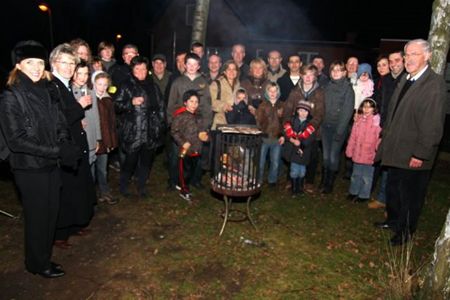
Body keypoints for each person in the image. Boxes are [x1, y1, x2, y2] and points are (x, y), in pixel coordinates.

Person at [0, 40, 80, 278]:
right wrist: (57, 151)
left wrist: (65, 143)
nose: (35, 67)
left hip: (50, 164)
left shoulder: (48, 89)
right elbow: (16, 140)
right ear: (18, 65)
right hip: (29, 168)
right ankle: (36, 263)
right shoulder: (10, 96)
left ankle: (44, 256)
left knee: (51, 212)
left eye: (39, 62)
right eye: (29, 62)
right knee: (38, 216)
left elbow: (60, 122)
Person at [374, 39, 447, 246]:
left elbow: (433, 125)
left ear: (428, 56)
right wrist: (384, 135)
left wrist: (420, 154)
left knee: (410, 196)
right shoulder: (407, 78)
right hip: (396, 148)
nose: (408, 59)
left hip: (414, 154)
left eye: (414, 54)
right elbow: (393, 111)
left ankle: (405, 232)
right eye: (406, 54)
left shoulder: (434, 84)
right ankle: (393, 221)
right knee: (394, 189)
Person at [49, 43, 96, 249]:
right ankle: (60, 233)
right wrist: (79, 107)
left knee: (78, 186)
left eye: (71, 63)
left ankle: (75, 224)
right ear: (53, 64)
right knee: (66, 190)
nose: (69, 67)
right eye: (64, 63)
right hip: (64, 148)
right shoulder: (52, 86)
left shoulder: (65, 84)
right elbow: (56, 119)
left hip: (76, 145)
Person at [115, 56, 165, 198]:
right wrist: (131, 102)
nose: (141, 71)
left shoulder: (153, 86)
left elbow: (161, 107)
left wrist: (161, 125)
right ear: (132, 70)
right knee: (130, 162)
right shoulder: (126, 85)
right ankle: (124, 185)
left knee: (146, 161)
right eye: (137, 69)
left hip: (150, 131)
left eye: (143, 68)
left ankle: (142, 186)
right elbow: (116, 105)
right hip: (134, 131)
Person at [167, 53, 212, 190]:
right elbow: (171, 104)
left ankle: (195, 180)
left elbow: (207, 106)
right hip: (181, 125)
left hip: (198, 125)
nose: (192, 67)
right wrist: (171, 123)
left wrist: (205, 127)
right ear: (185, 65)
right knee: (177, 155)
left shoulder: (204, 83)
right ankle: (174, 180)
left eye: (195, 64)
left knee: (197, 156)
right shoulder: (178, 82)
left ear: (199, 66)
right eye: (189, 64)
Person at [283, 64, 325, 193]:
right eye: (305, 74)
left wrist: (308, 128)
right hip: (295, 128)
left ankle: (309, 181)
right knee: (292, 153)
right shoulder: (295, 92)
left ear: (315, 77)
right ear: (301, 75)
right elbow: (287, 110)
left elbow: (319, 113)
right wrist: (289, 127)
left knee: (311, 156)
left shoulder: (319, 93)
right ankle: (290, 179)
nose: (308, 77)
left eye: (311, 75)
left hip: (312, 131)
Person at [321, 61, 354, 194]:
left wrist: (340, 131)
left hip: (338, 128)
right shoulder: (327, 87)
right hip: (325, 127)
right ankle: (323, 179)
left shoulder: (347, 89)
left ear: (344, 73)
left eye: (339, 70)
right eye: (333, 70)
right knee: (325, 156)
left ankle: (329, 183)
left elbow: (347, 112)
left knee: (333, 156)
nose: (336, 72)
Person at [171, 90, 209, 201]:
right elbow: (174, 131)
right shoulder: (180, 116)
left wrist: (205, 136)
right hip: (185, 150)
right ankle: (184, 190)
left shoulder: (198, 116)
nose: (194, 104)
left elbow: (202, 130)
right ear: (185, 102)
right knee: (185, 171)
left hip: (196, 149)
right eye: (191, 101)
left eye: (196, 102)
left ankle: (184, 184)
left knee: (192, 170)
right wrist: (183, 142)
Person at [345, 98, 381, 202]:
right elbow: (353, 137)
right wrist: (350, 149)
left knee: (367, 178)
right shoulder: (358, 121)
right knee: (355, 175)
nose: (366, 109)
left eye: (369, 107)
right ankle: (353, 191)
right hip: (358, 154)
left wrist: (377, 153)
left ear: (374, 109)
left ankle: (364, 195)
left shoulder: (376, 124)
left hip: (370, 156)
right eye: (365, 106)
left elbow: (379, 140)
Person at [91, 71, 118, 205]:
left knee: (102, 169)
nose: (101, 88)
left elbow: (112, 122)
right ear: (94, 84)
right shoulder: (90, 98)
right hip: (92, 139)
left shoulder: (108, 100)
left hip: (105, 140)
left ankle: (104, 192)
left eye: (104, 85)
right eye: (99, 84)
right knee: (91, 171)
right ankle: (90, 196)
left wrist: (111, 141)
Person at [281, 100, 315, 197]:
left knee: (302, 171)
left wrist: (302, 145)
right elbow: (286, 133)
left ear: (308, 113)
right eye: (301, 110)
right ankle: (294, 188)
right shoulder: (291, 122)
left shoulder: (310, 125)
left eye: (305, 111)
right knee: (294, 170)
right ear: (297, 111)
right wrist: (291, 139)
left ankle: (300, 187)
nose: (303, 113)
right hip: (293, 151)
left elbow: (310, 138)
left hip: (304, 152)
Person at [71, 61, 101, 167]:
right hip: (77, 140)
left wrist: (98, 138)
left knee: (91, 171)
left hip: (91, 138)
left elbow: (96, 116)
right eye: (79, 73)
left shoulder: (91, 92)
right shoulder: (68, 93)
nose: (83, 77)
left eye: (86, 74)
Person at [256, 82, 284, 186]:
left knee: (275, 161)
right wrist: (261, 133)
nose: (272, 93)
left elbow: (285, 122)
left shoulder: (282, 105)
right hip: (264, 138)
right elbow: (258, 121)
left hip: (277, 139)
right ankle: (258, 179)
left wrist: (283, 135)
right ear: (267, 92)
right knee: (261, 162)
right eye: (270, 91)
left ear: (278, 92)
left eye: (274, 91)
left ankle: (272, 180)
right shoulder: (262, 106)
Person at [210, 60, 240, 129]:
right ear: (224, 71)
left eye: (234, 69)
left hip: (235, 120)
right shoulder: (216, 84)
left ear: (237, 72)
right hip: (220, 120)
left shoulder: (238, 85)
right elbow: (210, 101)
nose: (231, 72)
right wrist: (224, 106)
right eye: (229, 69)